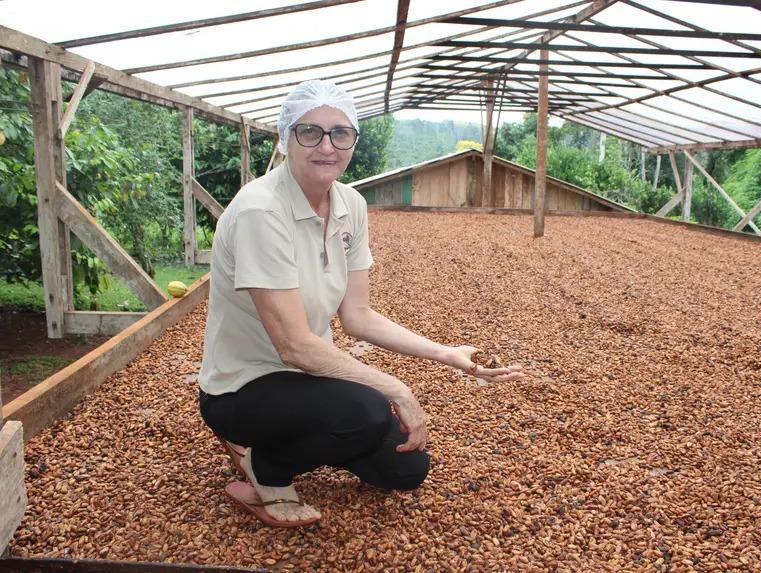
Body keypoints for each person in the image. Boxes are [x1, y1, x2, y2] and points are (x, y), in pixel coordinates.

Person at [197, 79, 524, 528]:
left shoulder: (349, 204)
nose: (326, 146)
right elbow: (294, 345)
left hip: (307, 381)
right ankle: (266, 467)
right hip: (244, 387)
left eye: (340, 133)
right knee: (366, 411)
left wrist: (447, 354)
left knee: (406, 471)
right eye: (309, 132)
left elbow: (358, 316)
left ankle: (311, 436)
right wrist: (398, 389)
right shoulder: (261, 211)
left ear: (353, 140)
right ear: (285, 136)